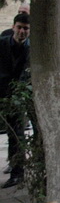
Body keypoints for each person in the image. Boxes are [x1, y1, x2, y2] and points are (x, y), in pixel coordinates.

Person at [1, 13, 31, 188]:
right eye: (19, 27)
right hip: (2, 94)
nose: (22, 31)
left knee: (17, 136)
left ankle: (18, 173)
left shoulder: (32, 48)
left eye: (25, 28)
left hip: (21, 97)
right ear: (13, 27)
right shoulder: (2, 44)